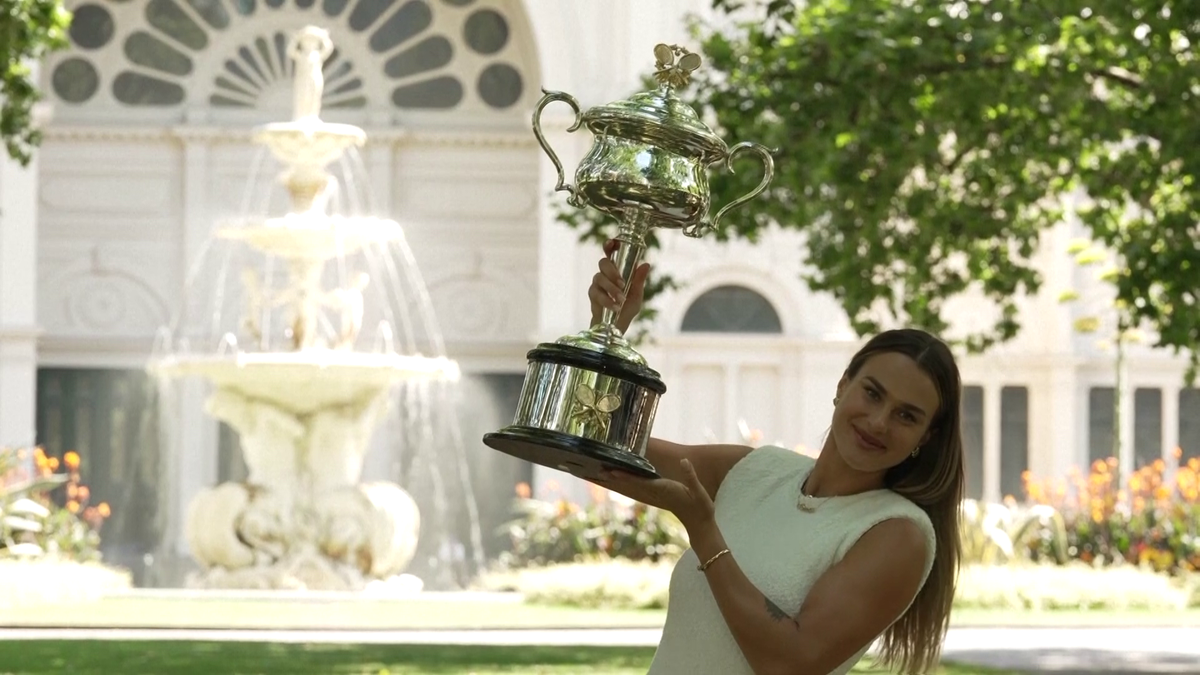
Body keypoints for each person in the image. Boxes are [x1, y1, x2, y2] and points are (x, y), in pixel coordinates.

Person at [586, 239, 965, 675]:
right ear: (843, 386)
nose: (879, 422)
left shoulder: (897, 533)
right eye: (872, 393)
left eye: (906, 415)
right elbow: (597, 440)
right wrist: (607, 331)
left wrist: (705, 531)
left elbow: (791, 664)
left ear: (925, 436)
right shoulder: (755, 472)